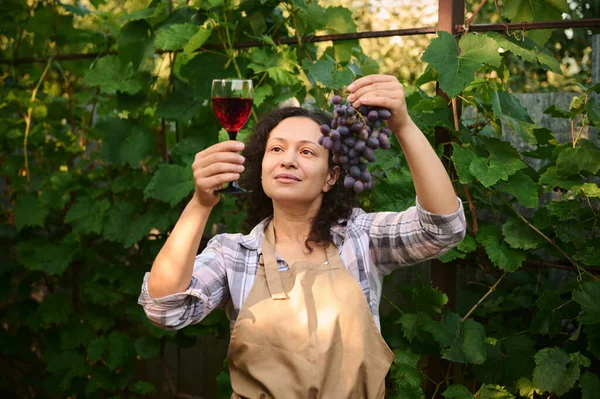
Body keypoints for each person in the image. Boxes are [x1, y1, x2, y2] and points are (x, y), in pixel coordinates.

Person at [138, 74, 467, 398]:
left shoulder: (359, 238)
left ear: (331, 177)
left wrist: (404, 126)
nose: (288, 160)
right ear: (262, 167)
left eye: (307, 152)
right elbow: (165, 310)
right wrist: (200, 203)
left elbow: (441, 229)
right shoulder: (234, 254)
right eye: (276, 149)